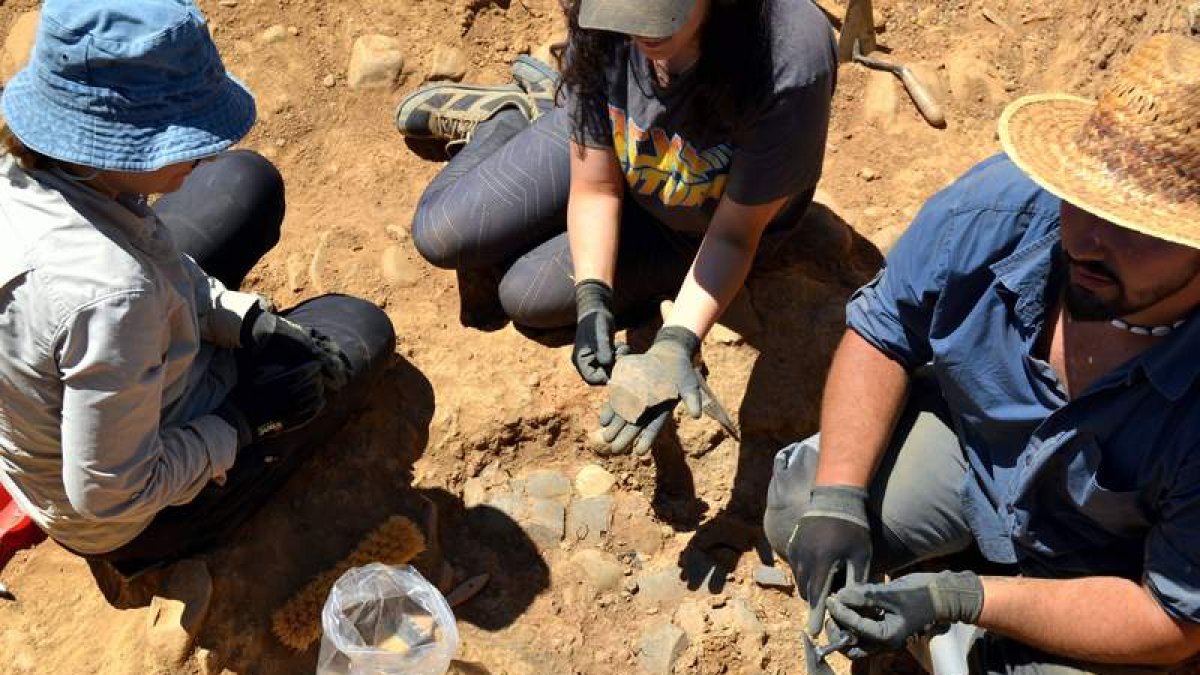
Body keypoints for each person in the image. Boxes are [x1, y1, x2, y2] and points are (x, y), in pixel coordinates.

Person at [763, 34, 1200, 674]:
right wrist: (838, 497)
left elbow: (1171, 619)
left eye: (1137, 228)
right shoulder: (998, 210)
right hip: (976, 457)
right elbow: (884, 330)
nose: (1090, 241)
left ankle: (974, 631)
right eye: (1083, 200)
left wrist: (964, 598)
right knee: (804, 508)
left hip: (1108, 569)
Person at [0, 0, 395, 577]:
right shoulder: (112, 294)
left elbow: (153, 258)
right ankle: (183, 535)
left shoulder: (41, 173)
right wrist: (243, 422)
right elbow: (110, 496)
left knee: (243, 180)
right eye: (178, 139)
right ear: (109, 144)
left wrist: (244, 319)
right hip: (130, 514)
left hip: (91, 371)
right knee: (359, 327)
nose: (203, 150)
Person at [395, 0, 837, 453]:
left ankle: (543, 120)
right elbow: (596, 188)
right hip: (624, 157)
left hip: (697, 224)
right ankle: (512, 116)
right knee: (440, 232)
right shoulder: (601, 15)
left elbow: (734, 234)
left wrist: (676, 343)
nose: (643, 36)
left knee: (525, 296)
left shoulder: (786, 56)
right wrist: (593, 295)